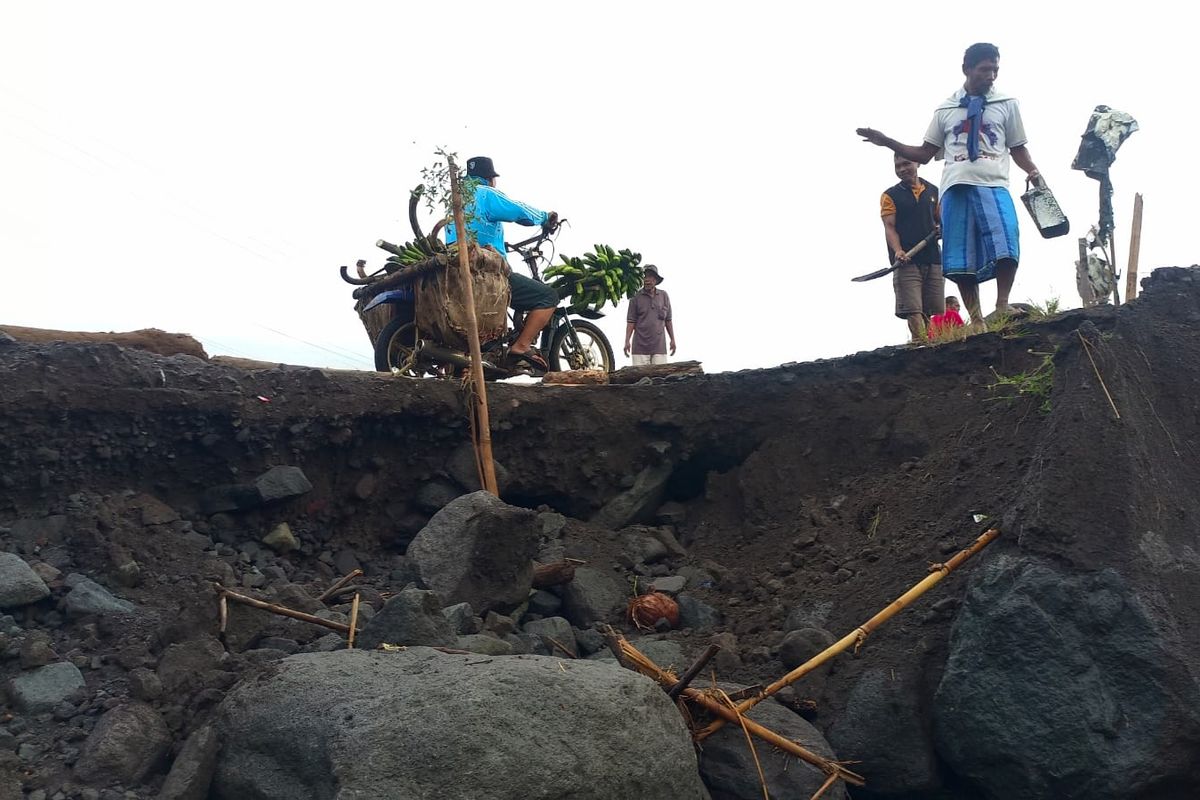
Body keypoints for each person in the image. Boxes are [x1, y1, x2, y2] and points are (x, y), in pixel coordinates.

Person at [856, 42, 1044, 332]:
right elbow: (924, 154)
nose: (991, 76)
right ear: (967, 70)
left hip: (993, 183)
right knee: (960, 257)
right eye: (984, 70)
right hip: (955, 186)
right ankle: (977, 318)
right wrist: (887, 141)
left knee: (1007, 241)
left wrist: (1032, 170)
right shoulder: (946, 109)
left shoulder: (1007, 104)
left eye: (995, 70)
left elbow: (1018, 147)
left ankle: (1002, 303)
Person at [446, 156, 559, 370]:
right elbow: (517, 210)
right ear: (489, 178)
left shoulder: (457, 198)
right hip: (483, 271)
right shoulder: (486, 193)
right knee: (548, 296)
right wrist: (545, 217)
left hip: (455, 269)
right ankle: (521, 346)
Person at [880, 153, 943, 342]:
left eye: (906, 164)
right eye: (897, 166)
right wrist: (898, 250)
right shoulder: (890, 195)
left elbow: (939, 219)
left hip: (932, 256)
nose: (902, 169)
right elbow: (889, 227)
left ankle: (929, 344)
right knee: (913, 308)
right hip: (906, 260)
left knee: (929, 308)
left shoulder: (933, 191)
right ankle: (919, 342)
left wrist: (941, 228)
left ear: (917, 162)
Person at [624, 265, 675, 365]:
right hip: (640, 349)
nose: (647, 280)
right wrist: (627, 341)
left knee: (660, 379)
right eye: (645, 277)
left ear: (655, 280)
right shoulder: (635, 297)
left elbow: (668, 320)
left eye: (650, 277)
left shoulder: (664, 296)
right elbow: (631, 322)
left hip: (659, 349)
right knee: (640, 379)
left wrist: (672, 339)